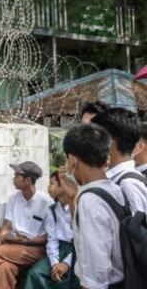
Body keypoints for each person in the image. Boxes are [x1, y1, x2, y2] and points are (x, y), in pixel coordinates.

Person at [58, 123, 125, 288]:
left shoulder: (90, 202)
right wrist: (72, 197)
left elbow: (97, 274)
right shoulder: (115, 189)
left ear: (72, 160)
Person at [0, 161, 53, 289]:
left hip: (35, 248)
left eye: (17, 176)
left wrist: (27, 242)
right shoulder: (14, 198)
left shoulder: (46, 202)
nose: (13, 179)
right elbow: (7, 225)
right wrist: (0, 240)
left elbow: (50, 235)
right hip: (14, 246)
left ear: (28, 180)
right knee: (3, 268)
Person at [24, 171, 79, 289]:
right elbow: (52, 240)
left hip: (76, 251)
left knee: (73, 279)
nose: (48, 187)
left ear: (63, 186)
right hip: (57, 251)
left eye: (52, 183)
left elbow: (81, 241)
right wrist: (55, 264)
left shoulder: (77, 207)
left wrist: (66, 263)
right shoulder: (52, 210)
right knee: (34, 273)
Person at [91, 108, 147, 215]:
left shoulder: (129, 184)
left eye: (94, 137)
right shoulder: (115, 179)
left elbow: (137, 229)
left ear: (109, 141)